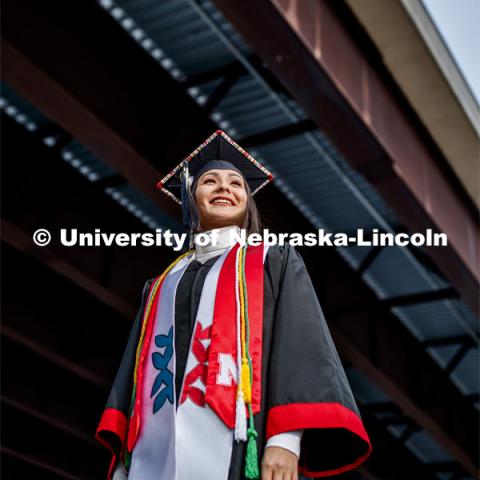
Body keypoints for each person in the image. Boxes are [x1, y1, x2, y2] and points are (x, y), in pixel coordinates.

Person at [96, 130, 372, 480]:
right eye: (209, 181)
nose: (224, 188)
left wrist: (285, 440)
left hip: (243, 445)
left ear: (247, 201)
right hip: (155, 457)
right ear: (190, 198)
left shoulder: (273, 261)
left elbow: (300, 347)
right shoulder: (162, 285)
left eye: (236, 184)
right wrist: (126, 461)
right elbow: (136, 378)